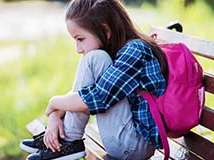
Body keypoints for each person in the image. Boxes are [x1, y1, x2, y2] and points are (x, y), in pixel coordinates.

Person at [20, 0, 168, 159]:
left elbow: (97, 98)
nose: (78, 48)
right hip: (130, 140)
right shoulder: (121, 49)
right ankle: (68, 140)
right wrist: (54, 115)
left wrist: (54, 102)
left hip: (135, 145)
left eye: (80, 39)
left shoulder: (135, 51)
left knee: (94, 58)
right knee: (96, 59)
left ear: (105, 30)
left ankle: (70, 141)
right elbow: (88, 93)